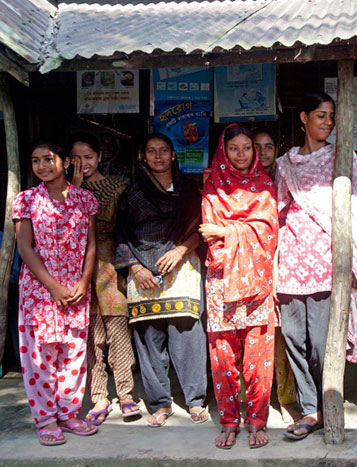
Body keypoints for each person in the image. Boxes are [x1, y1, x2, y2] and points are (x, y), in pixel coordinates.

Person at [276, 92, 357, 440]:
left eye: (332, 116)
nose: (328, 122)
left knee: (321, 341)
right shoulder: (286, 163)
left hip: (326, 263)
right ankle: (310, 408)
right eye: (321, 115)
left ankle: (326, 402)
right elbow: (280, 209)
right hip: (292, 262)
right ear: (303, 118)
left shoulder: (342, 157)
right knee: (293, 338)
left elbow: (356, 206)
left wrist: (354, 257)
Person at [115, 133, 208, 428]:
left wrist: (180, 250)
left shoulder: (189, 190)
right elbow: (121, 235)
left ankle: (195, 401)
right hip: (142, 273)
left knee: (189, 338)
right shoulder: (132, 194)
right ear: (143, 157)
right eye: (151, 151)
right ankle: (160, 403)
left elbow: (201, 226)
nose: (157, 156)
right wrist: (134, 267)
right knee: (149, 340)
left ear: (173, 155)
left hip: (181, 267)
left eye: (163, 151)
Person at [13, 141, 98, 445]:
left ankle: (69, 414)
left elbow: (91, 244)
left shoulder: (85, 199)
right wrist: (52, 286)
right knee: (41, 358)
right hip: (40, 291)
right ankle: (46, 419)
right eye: (36, 161)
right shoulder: (25, 200)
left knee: (73, 354)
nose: (42, 166)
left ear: (66, 161)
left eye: (48, 159)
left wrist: (83, 281)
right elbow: (24, 247)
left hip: (75, 289)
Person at [200, 124, 279, 449]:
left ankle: (257, 421)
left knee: (258, 360)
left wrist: (227, 231)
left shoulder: (265, 187)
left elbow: (269, 233)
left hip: (258, 285)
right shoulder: (211, 188)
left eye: (248, 147)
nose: (243, 154)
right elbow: (208, 234)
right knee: (223, 359)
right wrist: (237, 231)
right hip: (221, 285)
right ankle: (230, 421)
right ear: (223, 151)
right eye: (234, 148)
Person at [68, 132, 139, 424]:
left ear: (99, 157)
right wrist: (73, 189)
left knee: (118, 333)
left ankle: (126, 394)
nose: (82, 163)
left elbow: (117, 225)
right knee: (91, 337)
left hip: (110, 267)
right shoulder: (59, 192)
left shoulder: (118, 187)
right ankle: (98, 397)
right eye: (75, 158)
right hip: (74, 271)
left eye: (88, 157)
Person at [254, 127, 299, 424]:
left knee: (283, 335)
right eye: (255, 147)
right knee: (254, 334)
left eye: (268, 146)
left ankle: (286, 399)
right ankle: (255, 397)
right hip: (248, 264)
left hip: (283, 260)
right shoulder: (237, 183)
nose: (261, 153)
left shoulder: (284, 179)